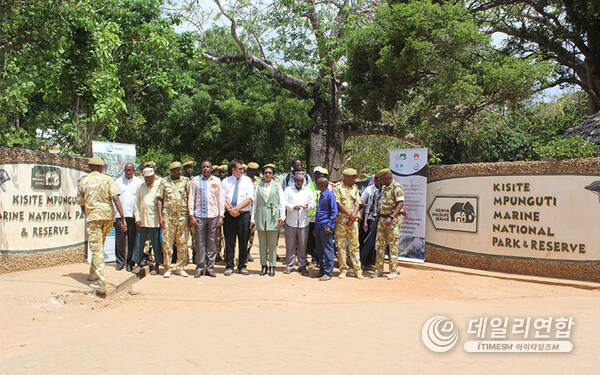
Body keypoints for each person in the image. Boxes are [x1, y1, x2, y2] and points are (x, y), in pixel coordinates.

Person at [77, 157, 127, 294]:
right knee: (100, 244)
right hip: (108, 216)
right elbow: (116, 198)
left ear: (89, 167)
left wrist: (87, 215)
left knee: (97, 247)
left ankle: (101, 280)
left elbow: (81, 203)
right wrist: (122, 218)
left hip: (93, 216)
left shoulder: (83, 181)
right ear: (100, 168)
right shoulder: (108, 179)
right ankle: (93, 272)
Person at [188, 160, 225, 278]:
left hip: (213, 216)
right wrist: (191, 215)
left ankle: (210, 267)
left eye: (208, 167)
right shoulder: (195, 181)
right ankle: (200, 267)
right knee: (200, 242)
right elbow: (191, 198)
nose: (205, 169)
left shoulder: (217, 181)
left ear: (211, 169)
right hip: (199, 216)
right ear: (201, 168)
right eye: (203, 167)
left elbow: (221, 199)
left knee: (212, 242)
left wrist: (221, 216)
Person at [157, 162, 190, 278]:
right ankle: (168, 267)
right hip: (168, 218)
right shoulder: (164, 182)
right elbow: (159, 199)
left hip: (182, 217)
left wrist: (190, 215)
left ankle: (180, 267)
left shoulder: (186, 181)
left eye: (180, 170)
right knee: (167, 243)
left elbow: (190, 198)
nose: (180, 172)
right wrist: (160, 217)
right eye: (177, 170)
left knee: (182, 242)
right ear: (171, 171)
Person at [222, 159, 255, 275]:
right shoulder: (225, 182)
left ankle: (242, 265)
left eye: (243, 169)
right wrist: (230, 210)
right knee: (230, 240)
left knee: (243, 240)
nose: (242, 171)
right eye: (240, 169)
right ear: (233, 169)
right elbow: (222, 198)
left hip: (243, 215)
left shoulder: (247, 181)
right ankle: (229, 265)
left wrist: (237, 209)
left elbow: (250, 198)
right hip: (229, 214)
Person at [251, 165, 284, 277]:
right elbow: (255, 204)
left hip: (273, 216)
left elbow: (281, 202)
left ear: (273, 174)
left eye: (270, 173)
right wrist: (252, 218)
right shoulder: (259, 186)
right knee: (262, 244)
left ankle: (272, 266)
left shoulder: (277, 186)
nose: (268, 175)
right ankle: (263, 266)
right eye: (266, 173)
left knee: (272, 244)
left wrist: (282, 217)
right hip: (261, 216)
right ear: (263, 174)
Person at [372, 168, 405, 280]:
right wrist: (377, 218)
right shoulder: (384, 188)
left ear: (386, 178)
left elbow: (400, 203)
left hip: (393, 220)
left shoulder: (397, 188)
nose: (380, 181)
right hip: (382, 219)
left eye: (381, 179)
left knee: (393, 245)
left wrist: (391, 218)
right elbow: (381, 205)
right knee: (380, 244)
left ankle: (393, 270)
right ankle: (378, 270)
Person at [281, 171, 315, 276]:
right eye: (297, 180)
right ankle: (289, 265)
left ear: (303, 181)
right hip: (291, 221)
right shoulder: (288, 190)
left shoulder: (307, 190)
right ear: (294, 180)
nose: (299, 182)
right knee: (290, 244)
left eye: (301, 180)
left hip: (304, 221)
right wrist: (293, 207)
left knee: (302, 245)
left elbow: (313, 203)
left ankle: (302, 265)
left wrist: (307, 206)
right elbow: (284, 203)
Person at [333, 168, 363, 279]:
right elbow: (338, 203)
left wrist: (352, 216)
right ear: (347, 177)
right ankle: (343, 268)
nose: (355, 180)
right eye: (354, 177)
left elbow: (357, 203)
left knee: (354, 245)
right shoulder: (337, 188)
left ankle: (357, 269)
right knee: (341, 245)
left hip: (353, 221)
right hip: (341, 221)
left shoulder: (355, 189)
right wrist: (349, 215)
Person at [132, 167, 163, 275]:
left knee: (156, 244)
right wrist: (137, 218)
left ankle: (157, 265)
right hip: (142, 220)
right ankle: (138, 264)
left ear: (154, 176)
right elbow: (136, 203)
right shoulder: (140, 186)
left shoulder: (159, 184)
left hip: (154, 220)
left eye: (150, 178)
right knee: (139, 243)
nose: (148, 180)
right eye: (146, 178)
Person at [114, 162, 142, 272]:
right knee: (120, 240)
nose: (128, 172)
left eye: (130, 170)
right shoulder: (118, 182)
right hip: (120, 215)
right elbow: (115, 198)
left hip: (133, 215)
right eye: (126, 170)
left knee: (132, 240)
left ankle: (130, 262)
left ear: (134, 171)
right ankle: (120, 262)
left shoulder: (139, 182)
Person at [314, 177, 338, 281]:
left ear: (323, 185)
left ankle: (328, 272)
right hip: (319, 226)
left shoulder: (330, 195)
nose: (316, 186)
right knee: (319, 249)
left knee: (328, 249)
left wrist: (329, 225)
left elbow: (334, 212)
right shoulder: (321, 195)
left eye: (318, 184)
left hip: (325, 226)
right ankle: (322, 270)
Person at [360, 175, 381, 270]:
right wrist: (365, 221)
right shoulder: (371, 190)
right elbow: (365, 205)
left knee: (381, 243)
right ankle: (362, 260)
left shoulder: (386, 192)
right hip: (372, 219)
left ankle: (376, 262)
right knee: (369, 241)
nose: (378, 181)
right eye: (377, 179)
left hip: (384, 220)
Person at [306, 166, 325, 264]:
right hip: (311, 218)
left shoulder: (327, 186)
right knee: (310, 240)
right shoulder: (309, 186)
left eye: (320, 174)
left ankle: (319, 259)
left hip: (321, 218)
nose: (318, 175)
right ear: (314, 175)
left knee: (320, 240)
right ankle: (313, 257)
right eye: (316, 173)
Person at [245, 161, 260, 262]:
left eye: (254, 171)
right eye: (251, 170)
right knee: (242, 233)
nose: (253, 173)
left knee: (251, 233)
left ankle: (248, 252)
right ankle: (242, 253)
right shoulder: (243, 180)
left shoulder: (258, 181)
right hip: (244, 210)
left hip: (254, 210)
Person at [182, 160, 196, 263]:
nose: (189, 169)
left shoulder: (196, 180)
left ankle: (196, 256)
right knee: (183, 236)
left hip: (194, 211)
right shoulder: (181, 180)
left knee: (195, 235)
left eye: (190, 167)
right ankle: (184, 257)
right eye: (187, 168)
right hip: (182, 212)